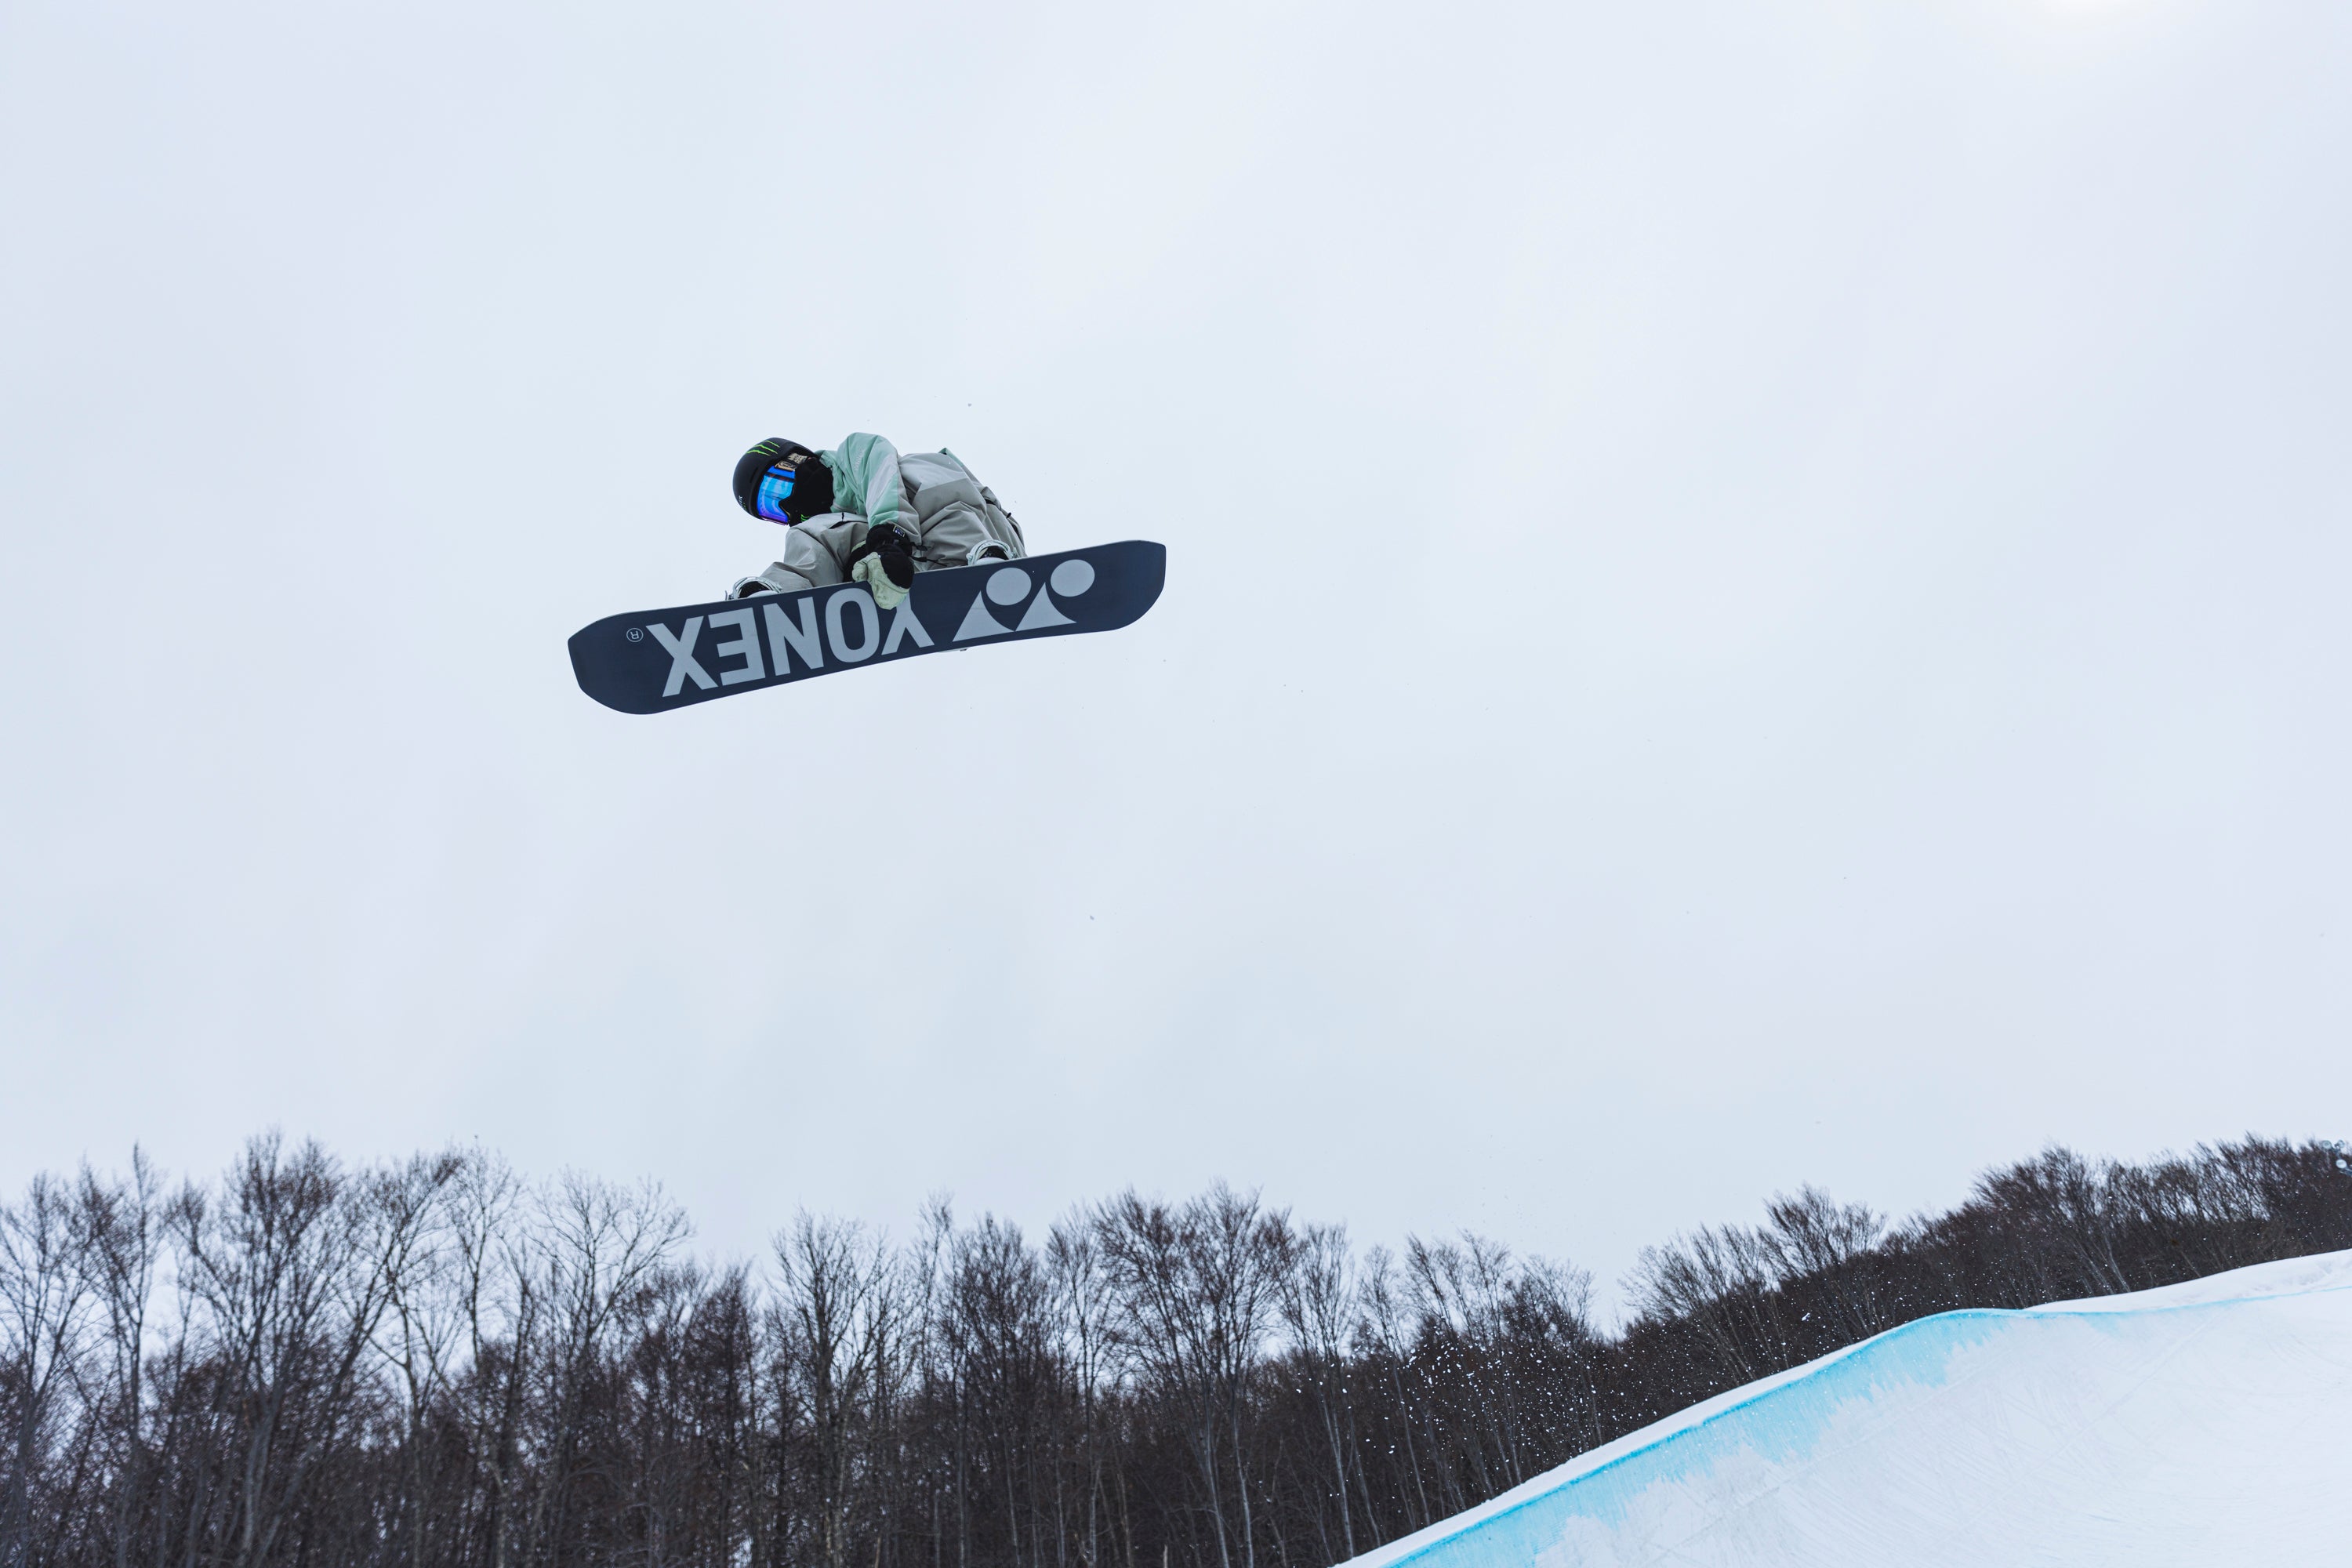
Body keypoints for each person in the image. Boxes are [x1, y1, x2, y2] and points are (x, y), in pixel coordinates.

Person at [727, 434, 1025, 608]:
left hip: (984, 531)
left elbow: (881, 475)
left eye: (777, 488)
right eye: (772, 509)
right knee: (812, 533)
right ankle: (778, 600)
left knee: (918, 470)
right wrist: (875, 551)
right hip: (909, 574)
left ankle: (979, 562)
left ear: (797, 458)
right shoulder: (827, 525)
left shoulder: (852, 454)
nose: (784, 505)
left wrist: (889, 537)